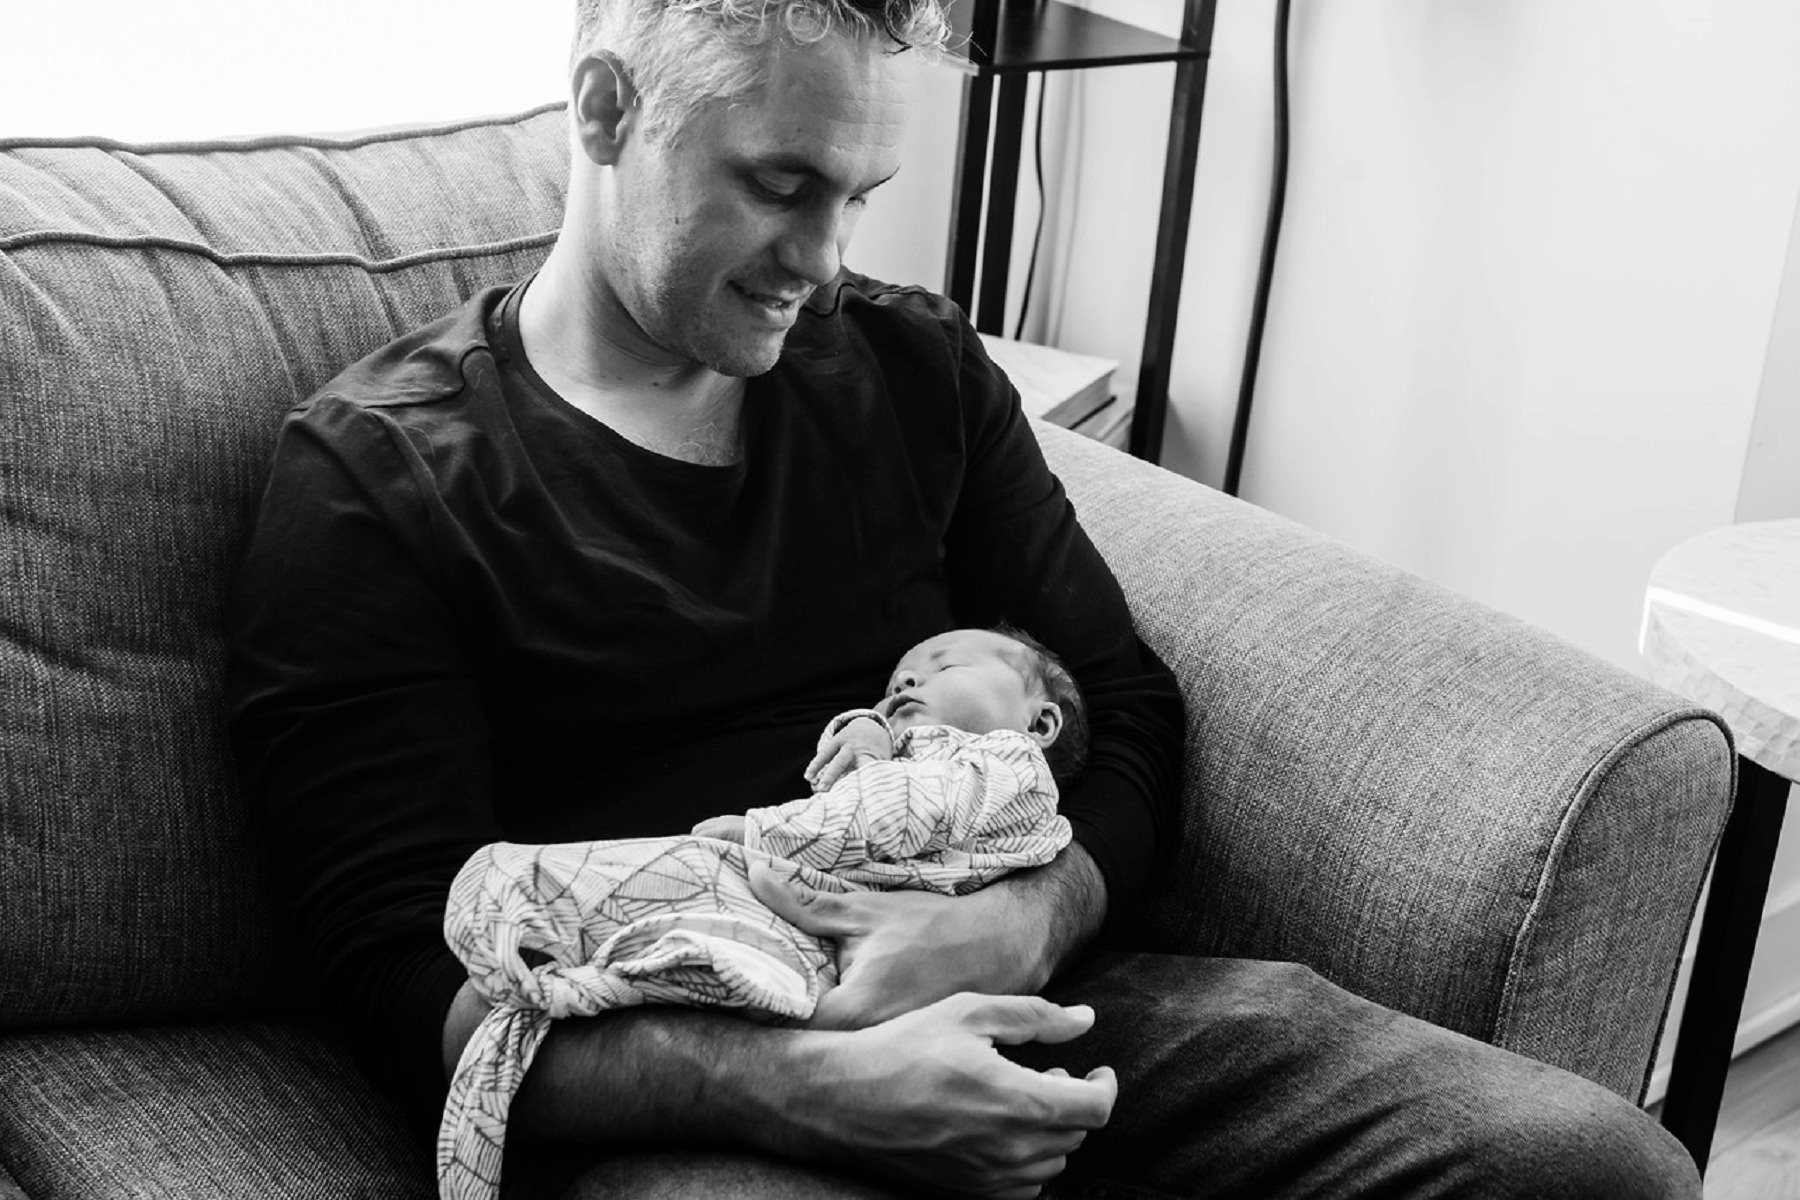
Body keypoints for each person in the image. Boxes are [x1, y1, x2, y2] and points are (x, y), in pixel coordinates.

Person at [224, 0, 1701, 1194]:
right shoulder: (378, 479)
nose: (824, 263)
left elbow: (1124, 705)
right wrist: (815, 1085)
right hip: (699, 1092)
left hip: (1045, 999)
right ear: (608, 110)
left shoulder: (913, 369)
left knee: (1590, 1164)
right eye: (780, 186)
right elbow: (400, 976)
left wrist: (1030, 919)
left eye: (858, 197)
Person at [440, 625, 1086, 1200]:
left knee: (691, 886)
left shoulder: (1006, 763)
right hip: (842, 939)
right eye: (899, 680)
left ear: (1040, 724)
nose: (909, 682)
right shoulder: (918, 760)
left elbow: (886, 816)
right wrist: (866, 734)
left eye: (946, 667)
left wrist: (760, 832)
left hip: (865, 938)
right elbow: (854, 799)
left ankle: (553, 923)